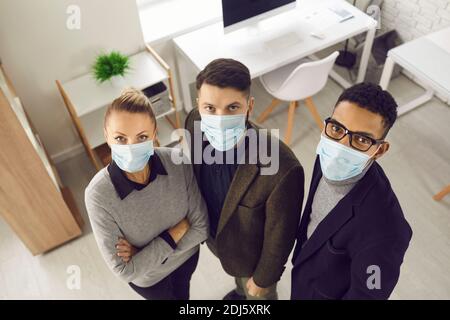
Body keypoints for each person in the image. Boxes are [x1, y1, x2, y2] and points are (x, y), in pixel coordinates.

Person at [184, 58, 304, 300]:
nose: (219, 118)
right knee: (240, 285)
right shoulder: (194, 122)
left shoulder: (281, 168)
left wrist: (263, 280)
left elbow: (280, 238)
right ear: (198, 105)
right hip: (222, 243)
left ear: (249, 105)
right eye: (210, 108)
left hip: (253, 261)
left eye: (232, 108)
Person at [291, 83, 412, 300]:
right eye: (337, 128)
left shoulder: (387, 230)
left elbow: (368, 295)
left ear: (380, 150)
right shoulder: (326, 156)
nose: (341, 147)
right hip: (304, 274)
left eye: (362, 139)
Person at [85, 88, 208, 300]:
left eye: (142, 136)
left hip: (187, 261)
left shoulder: (177, 162)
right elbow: (126, 270)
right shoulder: (98, 196)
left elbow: (202, 228)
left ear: (154, 133)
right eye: (121, 138)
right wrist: (177, 231)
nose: (131, 147)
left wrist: (143, 254)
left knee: (184, 295)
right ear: (106, 136)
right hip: (151, 282)